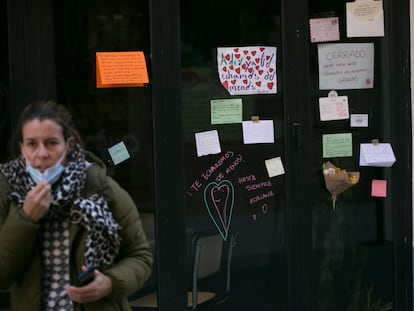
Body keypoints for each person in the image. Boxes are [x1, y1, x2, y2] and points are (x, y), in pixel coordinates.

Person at [0, 99, 153, 310]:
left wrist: (110, 283)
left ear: (68, 144)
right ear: (22, 147)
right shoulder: (8, 191)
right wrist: (25, 218)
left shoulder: (99, 187)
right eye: (32, 144)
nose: (41, 154)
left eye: (52, 143)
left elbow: (140, 256)